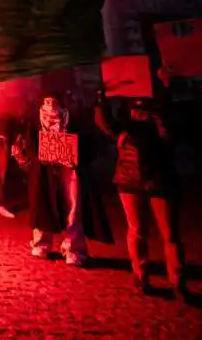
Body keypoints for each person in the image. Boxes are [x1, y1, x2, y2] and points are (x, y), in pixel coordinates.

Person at [95, 93, 186, 298]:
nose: (139, 111)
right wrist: (101, 102)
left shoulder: (162, 115)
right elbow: (107, 126)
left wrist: (157, 117)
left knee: (170, 233)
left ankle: (177, 281)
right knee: (137, 230)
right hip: (130, 180)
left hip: (160, 181)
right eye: (136, 108)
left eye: (142, 107)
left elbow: (170, 136)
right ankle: (141, 276)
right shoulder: (125, 123)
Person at [19, 93, 112, 266]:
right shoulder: (35, 116)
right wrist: (34, 155)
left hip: (70, 168)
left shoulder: (74, 116)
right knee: (44, 203)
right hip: (44, 169)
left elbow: (89, 140)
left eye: (54, 101)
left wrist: (77, 156)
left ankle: (73, 248)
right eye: (47, 100)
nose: (50, 104)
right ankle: (42, 243)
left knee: (73, 207)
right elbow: (29, 140)